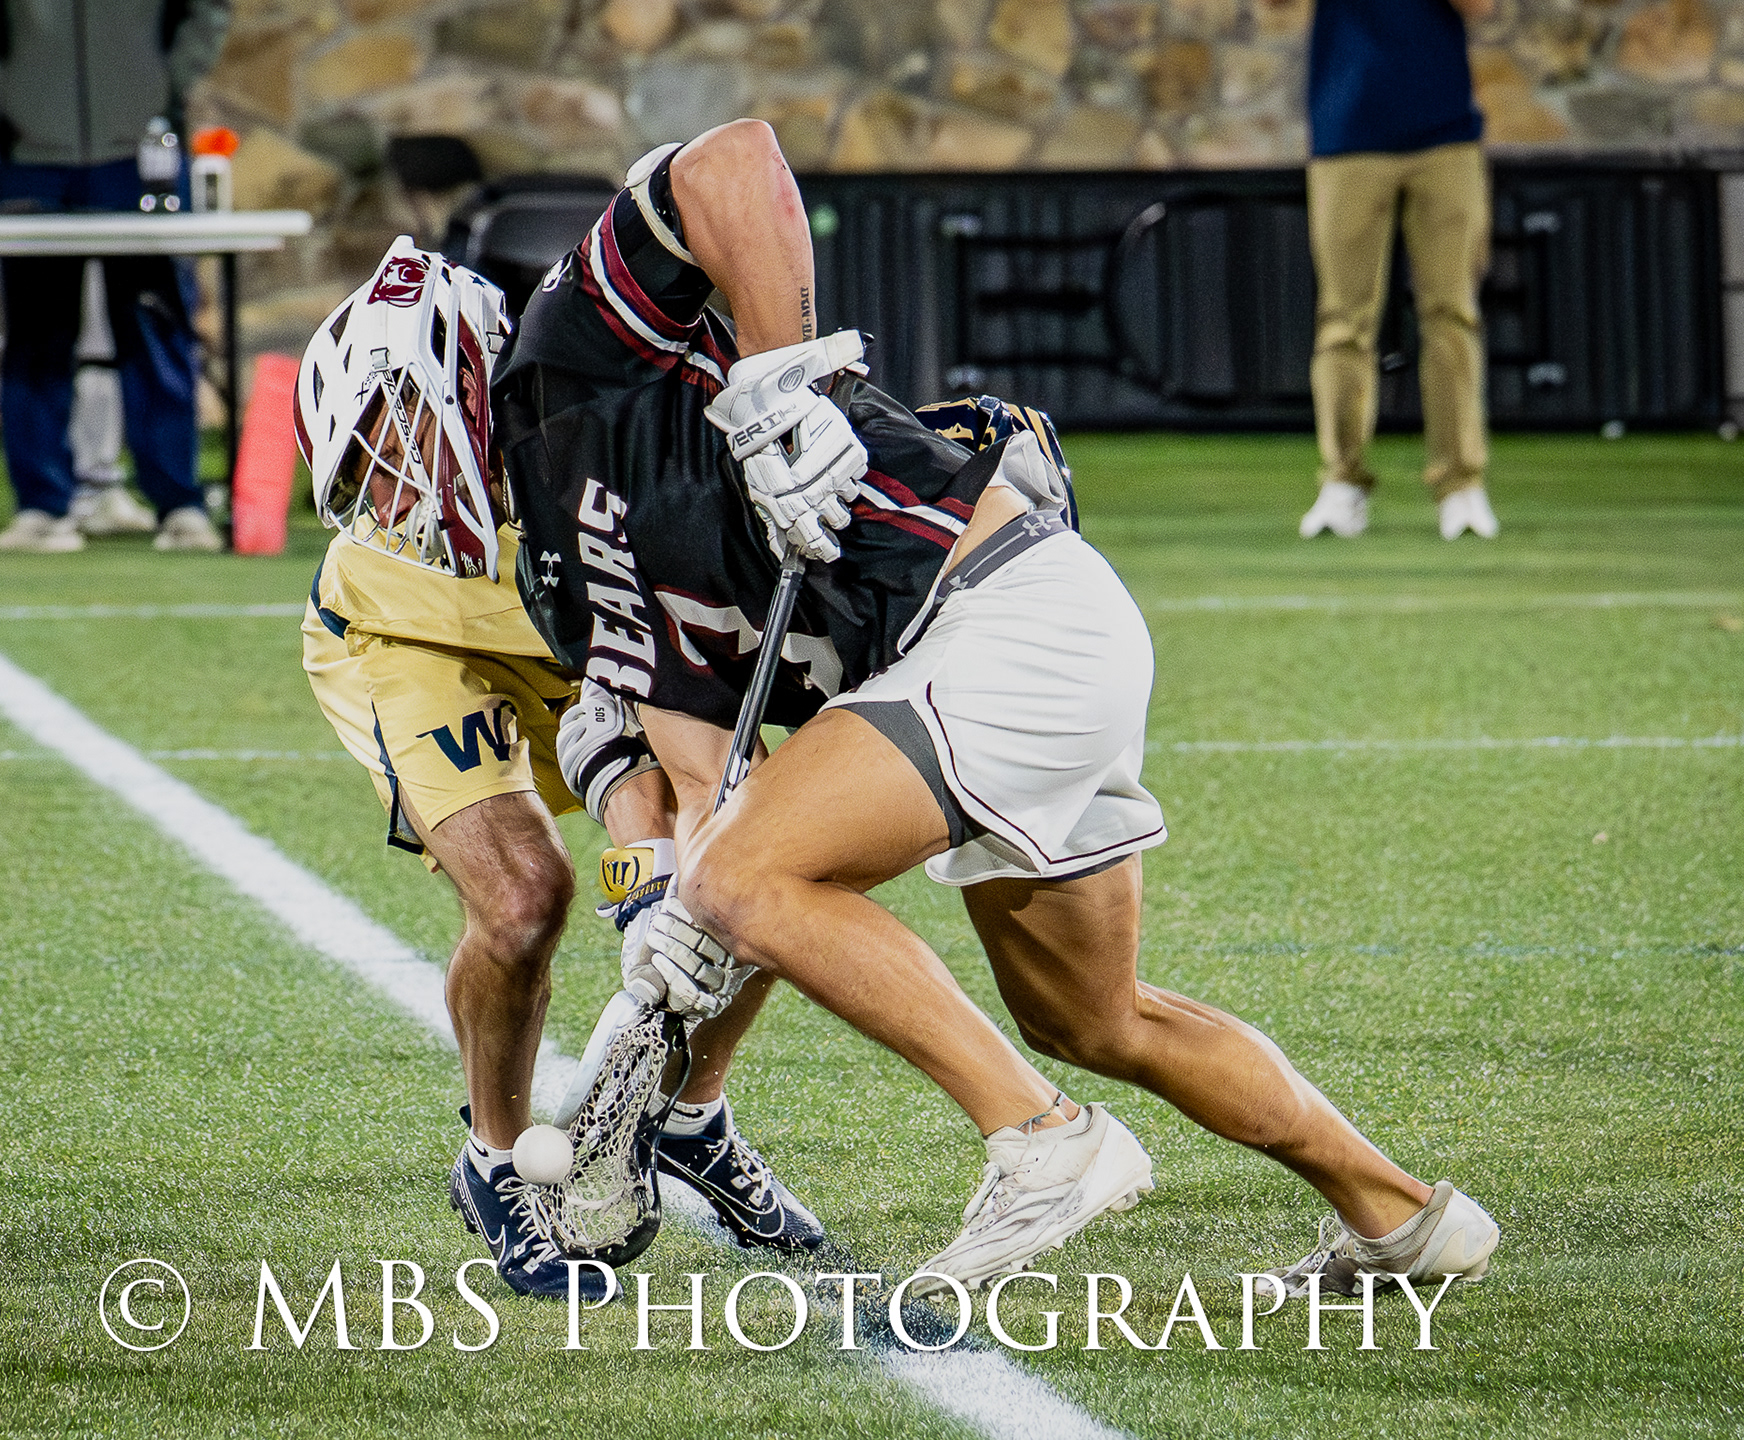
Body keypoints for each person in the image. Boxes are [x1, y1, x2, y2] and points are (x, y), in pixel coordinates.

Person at [496, 118, 1501, 1296]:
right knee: (1095, 1018)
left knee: (743, 881)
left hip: (1003, 619)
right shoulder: (573, 576)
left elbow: (735, 160)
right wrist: (662, 937)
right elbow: (713, 789)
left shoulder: (566, 359)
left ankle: (1042, 1141)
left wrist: (780, 387)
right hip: (1004, 656)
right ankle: (1403, 1219)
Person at [293, 241, 822, 1301]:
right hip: (407, 640)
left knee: (767, 847)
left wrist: (655, 876)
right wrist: (645, 889)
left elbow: (635, 698)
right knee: (523, 898)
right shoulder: (394, 550)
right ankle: (495, 1161)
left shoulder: (594, 438)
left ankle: (690, 1119)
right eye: (361, 466)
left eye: (389, 444)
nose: (381, 490)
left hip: (588, 655)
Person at [0, 0, 229, 553]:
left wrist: (163, 84)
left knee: (156, 328)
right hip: (31, 156)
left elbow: (207, 10)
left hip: (142, 152)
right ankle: (40, 507)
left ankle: (179, 505)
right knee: (35, 335)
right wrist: (3, 92)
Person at [1275, 0, 1503, 543]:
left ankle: (1461, 486)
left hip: (1445, 132)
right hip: (1347, 130)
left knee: (1451, 312)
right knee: (1343, 320)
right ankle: (1342, 482)